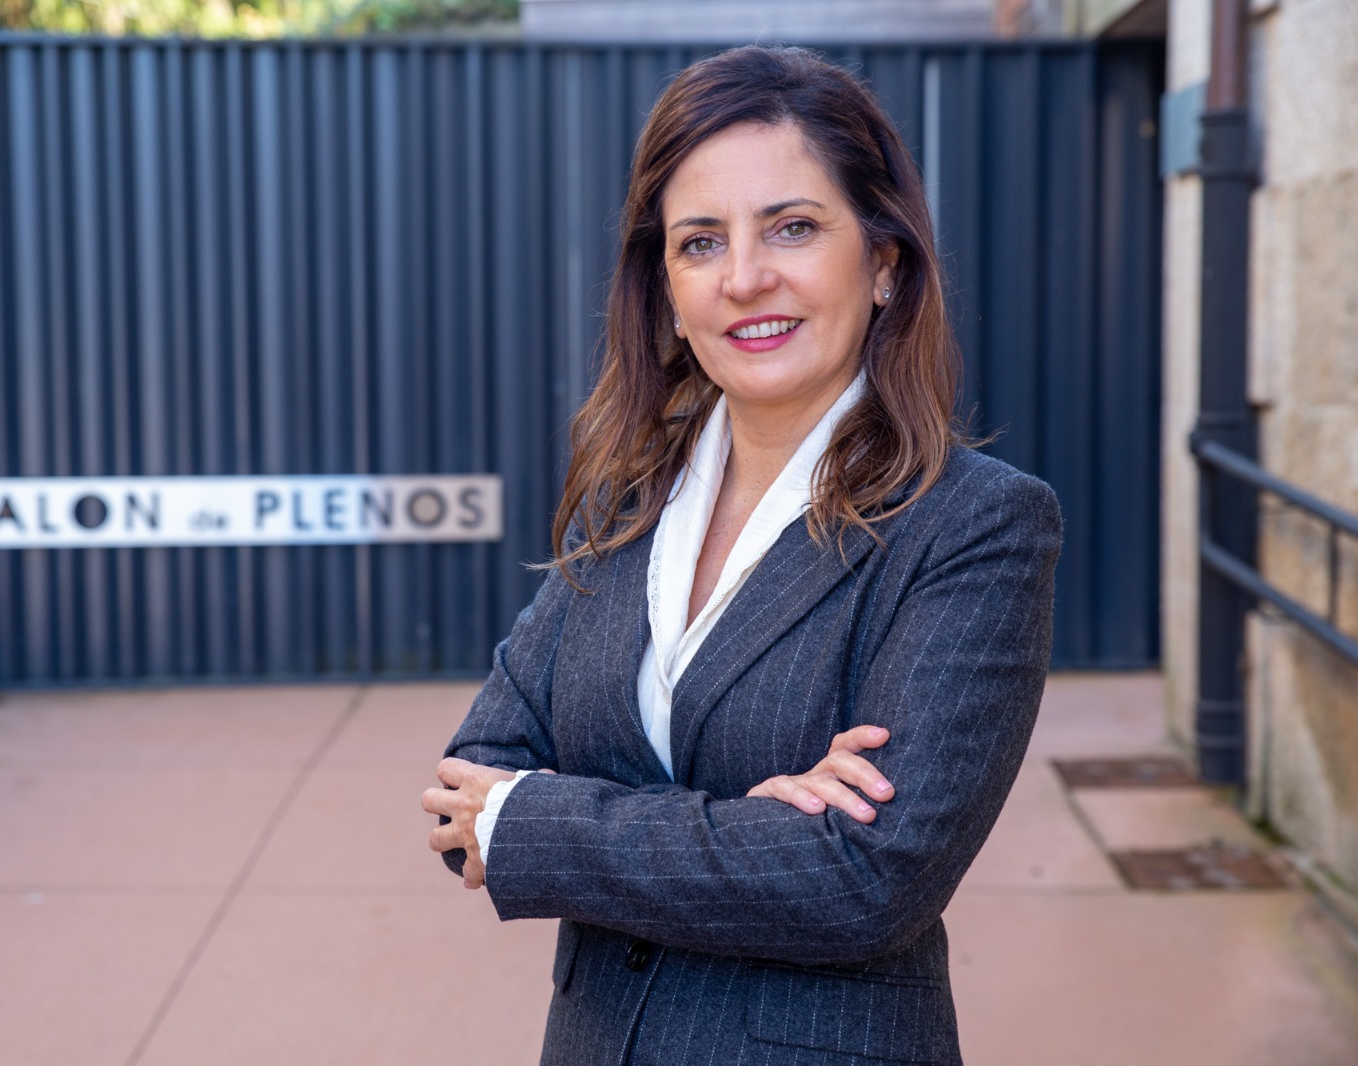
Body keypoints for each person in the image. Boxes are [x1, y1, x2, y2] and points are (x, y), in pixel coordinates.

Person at [421, 44, 1060, 1066]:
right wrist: (742, 829)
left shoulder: (973, 526)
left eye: (792, 227)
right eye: (700, 242)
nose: (745, 278)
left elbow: (864, 882)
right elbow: (470, 793)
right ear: (667, 289)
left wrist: (537, 824)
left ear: (884, 262)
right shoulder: (631, 494)